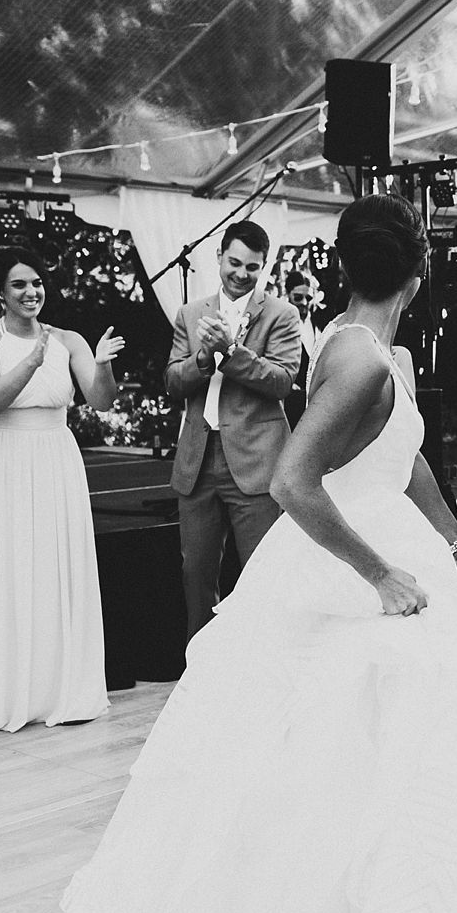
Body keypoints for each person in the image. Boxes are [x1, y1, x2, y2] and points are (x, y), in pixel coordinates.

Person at [25, 194, 457, 913]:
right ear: (416, 276)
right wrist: (378, 572)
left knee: (399, 741)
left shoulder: (373, 352)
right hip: (344, 561)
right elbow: (292, 480)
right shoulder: (356, 359)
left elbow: (404, 455)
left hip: (388, 538)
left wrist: (456, 542)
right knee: (343, 745)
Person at [0, 248, 122, 732]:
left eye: (37, 283)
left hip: (54, 457)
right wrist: (32, 361)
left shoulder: (69, 338)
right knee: (5, 565)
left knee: (52, 565)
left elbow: (101, 401)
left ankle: (56, 689)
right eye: (19, 285)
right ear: (0, 293)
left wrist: (103, 366)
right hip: (0, 458)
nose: (31, 292)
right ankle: (1, 692)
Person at [165, 220, 301, 646]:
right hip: (198, 459)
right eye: (234, 263)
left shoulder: (282, 313)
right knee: (195, 574)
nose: (241, 274)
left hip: (256, 461)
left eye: (252, 267)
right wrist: (204, 357)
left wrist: (232, 352)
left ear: (264, 268)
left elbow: (282, 381)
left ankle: (266, 666)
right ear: (219, 257)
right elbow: (172, 381)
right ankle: (201, 672)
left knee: (262, 574)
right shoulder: (190, 314)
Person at [283, 269, 320, 428]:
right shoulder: (281, 324)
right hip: (291, 402)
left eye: (309, 298)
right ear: (288, 295)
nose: (304, 303)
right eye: (298, 298)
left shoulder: (322, 322)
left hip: (317, 400)